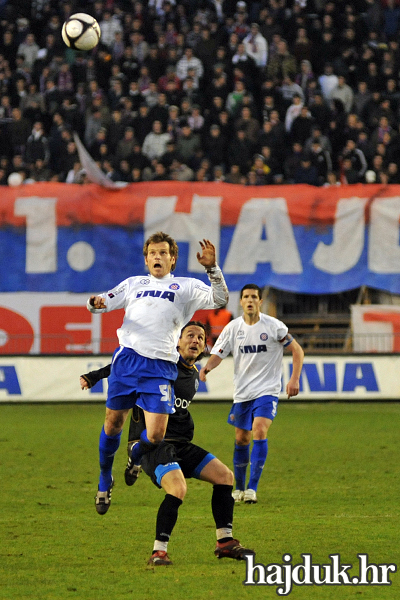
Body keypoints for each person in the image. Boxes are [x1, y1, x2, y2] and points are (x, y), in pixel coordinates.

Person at [80, 322, 254, 565]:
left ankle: (225, 542)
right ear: (177, 341)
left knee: (225, 477)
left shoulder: (193, 374)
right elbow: (123, 367)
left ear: (205, 346)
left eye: (201, 338)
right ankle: (158, 552)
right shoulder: (161, 364)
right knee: (178, 489)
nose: (195, 340)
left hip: (180, 444)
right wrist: (95, 376)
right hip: (153, 445)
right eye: (190, 335)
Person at [87, 232, 228, 514]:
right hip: (127, 360)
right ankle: (105, 478)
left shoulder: (185, 286)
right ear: (146, 258)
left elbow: (220, 298)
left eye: (163, 253)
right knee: (113, 424)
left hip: (161, 365)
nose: (157, 257)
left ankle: (135, 456)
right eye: (152, 253)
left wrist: (212, 269)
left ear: (173, 259)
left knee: (155, 435)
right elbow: (100, 302)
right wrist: (95, 303)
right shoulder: (134, 284)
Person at [200, 284, 304, 504]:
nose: (249, 300)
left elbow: (297, 350)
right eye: (245, 297)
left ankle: (252, 489)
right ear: (241, 302)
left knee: (259, 430)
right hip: (243, 393)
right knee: (241, 438)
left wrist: (294, 379)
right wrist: (207, 367)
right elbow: (219, 353)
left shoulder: (274, 326)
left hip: (267, 391)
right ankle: (238, 488)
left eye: (253, 297)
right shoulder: (232, 328)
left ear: (260, 301)